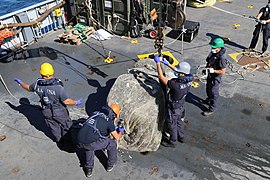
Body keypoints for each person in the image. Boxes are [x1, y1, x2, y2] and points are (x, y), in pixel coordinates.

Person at [14, 62, 83, 143]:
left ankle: (60, 141)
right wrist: (76, 102)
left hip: (46, 111)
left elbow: (28, 88)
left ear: (41, 73)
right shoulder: (58, 87)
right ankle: (69, 141)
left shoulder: (37, 84)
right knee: (66, 125)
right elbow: (66, 101)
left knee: (54, 127)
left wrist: (20, 82)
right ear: (52, 72)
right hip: (60, 111)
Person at [153, 55, 194, 148]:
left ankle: (173, 141)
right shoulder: (190, 79)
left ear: (182, 74)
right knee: (179, 122)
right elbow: (178, 71)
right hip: (181, 105)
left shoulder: (175, 85)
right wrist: (167, 64)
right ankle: (181, 137)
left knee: (172, 125)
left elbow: (161, 76)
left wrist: (158, 63)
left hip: (173, 108)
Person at [75, 104, 124, 177]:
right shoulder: (109, 123)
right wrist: (121, 131)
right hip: (89, 143)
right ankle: (110, 165)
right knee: (112, 144)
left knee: (89, 146)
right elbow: (117, 137)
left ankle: (89, 169)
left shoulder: (95, 113)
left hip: (79, 139)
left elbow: (98, 125)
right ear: (113, 115)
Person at [201, 38, 227, 116]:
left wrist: (213, 71)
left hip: (215, 77)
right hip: (210, 74)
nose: (212, 49)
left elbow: (223, 71)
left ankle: (212, 108)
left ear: (219, 48)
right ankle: (208, 100)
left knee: (213, 92)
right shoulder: (214, 52)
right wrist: (206, 69)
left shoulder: (222, 58)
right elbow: (209, 61)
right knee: (208, 89)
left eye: (214, 48)